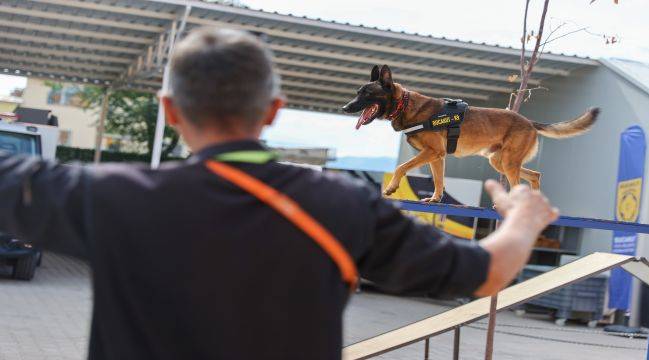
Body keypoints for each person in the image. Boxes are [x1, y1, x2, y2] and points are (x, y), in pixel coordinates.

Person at [0, 28, 559, 360]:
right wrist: (520, 216)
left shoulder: (109, 197)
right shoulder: (343, 205)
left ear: (170, 113)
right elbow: (485, 273)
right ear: (271, 111)